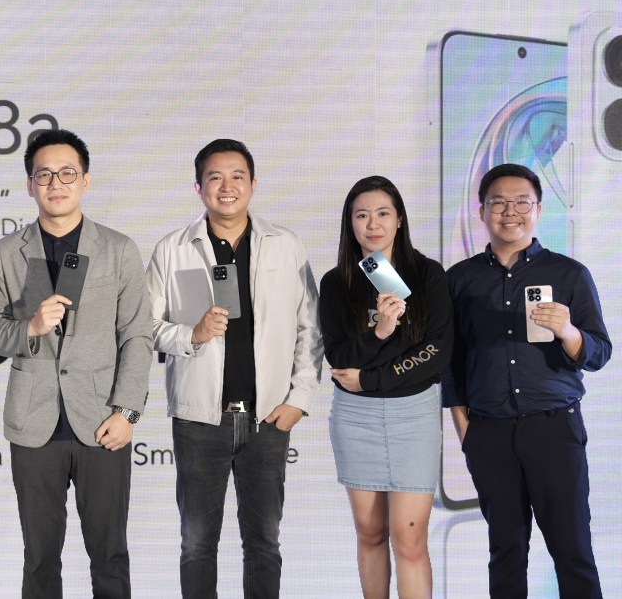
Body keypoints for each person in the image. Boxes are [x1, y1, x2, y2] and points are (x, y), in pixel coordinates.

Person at [146, 138, 323, 598]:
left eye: (237, 176)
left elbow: (310, 327)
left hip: (268, 417)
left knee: (264, 543)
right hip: (199, 419)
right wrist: (192, 334)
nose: (227, 187)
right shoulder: (173, 249)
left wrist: (299, 399)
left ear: (253, 184)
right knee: (196, 545)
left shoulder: (285, 245)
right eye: (215, 178)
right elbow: (146, 327)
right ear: (198, 187)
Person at [0, 129, 152, 599]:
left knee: (109, 555)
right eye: (44, 175)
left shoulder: (117, 249)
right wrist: (30, 327)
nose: (56, 183)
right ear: (29, 184)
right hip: (33, 423)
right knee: (39, 559)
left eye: (67, 173)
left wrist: (126, 411)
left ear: (86, 181)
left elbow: (137, 334)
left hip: (102, 421)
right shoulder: (6, 253)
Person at [442, 163, 611, 599]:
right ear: (481, 210)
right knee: (506, 552)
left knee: (573, 551)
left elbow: (599, 352)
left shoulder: (569, 274)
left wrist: (568, 331)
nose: (510, 211)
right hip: (489, 433)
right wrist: (466, 431)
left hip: (554, 429)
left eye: (522, 202)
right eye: (498, 202)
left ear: (538, 210)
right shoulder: (459, 279)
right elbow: (451, 362)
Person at [319, 176, 452, 599]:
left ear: (399, 220)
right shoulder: (336, 282)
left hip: (413, 415)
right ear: (350, 223)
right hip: (356, 418)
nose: (372, 224)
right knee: (370, 533)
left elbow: (436, 352)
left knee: (409, 540)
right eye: (362, 215)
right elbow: (339, 357)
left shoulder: (428, 274)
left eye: (382, 213)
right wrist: (381, 333)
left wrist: (371, 377)